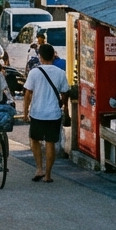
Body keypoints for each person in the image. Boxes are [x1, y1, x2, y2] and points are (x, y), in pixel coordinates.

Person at [22, 43, 70, 183]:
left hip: (37, 113)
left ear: (40, 57)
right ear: (53, 56)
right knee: (50, 143)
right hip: (53, 114)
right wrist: (65, 108)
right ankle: (48, 175)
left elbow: (27, 94)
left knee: (35, 140)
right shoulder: (60, 73)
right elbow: (65, 93)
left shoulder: (34, 72)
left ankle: (39, 168)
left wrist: (25, 112)